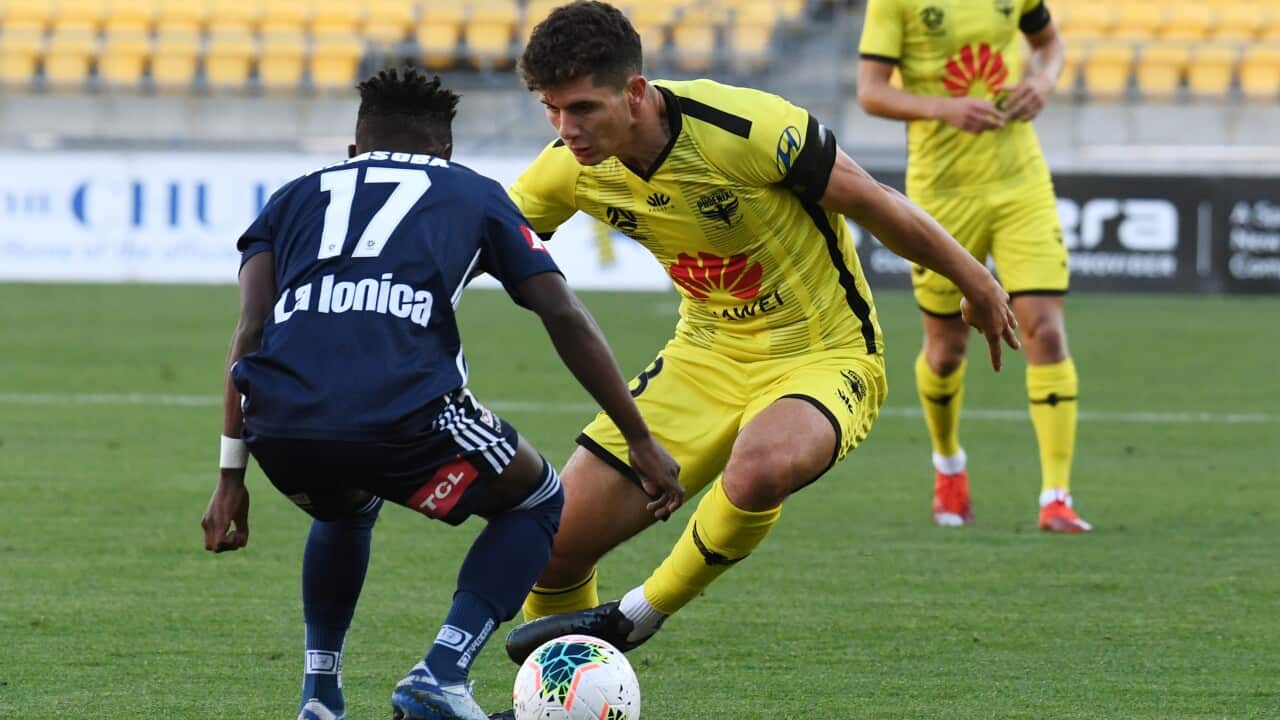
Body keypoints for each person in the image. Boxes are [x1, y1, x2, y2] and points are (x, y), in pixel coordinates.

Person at [496, 0, 1020, 674]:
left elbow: (876, 203)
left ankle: (634, 617)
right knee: (556, 544)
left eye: (582, 109)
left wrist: (976, 282)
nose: (566, 129)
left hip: (825, 353)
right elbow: (481, 237)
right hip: (704, 358)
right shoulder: (569, 165)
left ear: (634, 91)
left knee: (763, 465)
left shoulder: (745, 127)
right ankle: (565, 690)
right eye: (551, 110)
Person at [199, 67, 681, 720]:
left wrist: (231, 478)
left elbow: (248, 331)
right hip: (404, 416)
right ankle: (442, 670)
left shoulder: (291, 197)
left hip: (282, 427)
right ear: (445, 153)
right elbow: (561, 314)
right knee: (537, 498)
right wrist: (639, 437)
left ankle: (320, 695)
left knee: (344, 506)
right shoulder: (470, 193)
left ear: (352, 152)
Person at [857, 0, 1091, 532]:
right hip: (943, 192)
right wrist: (944, 108)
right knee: (945, 351)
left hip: (1019, 182)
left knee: (1046, 333)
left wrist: (1044, 82)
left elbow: (1049, 44)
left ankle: (1057, 497)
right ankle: (949, 467)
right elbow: (871, 91)